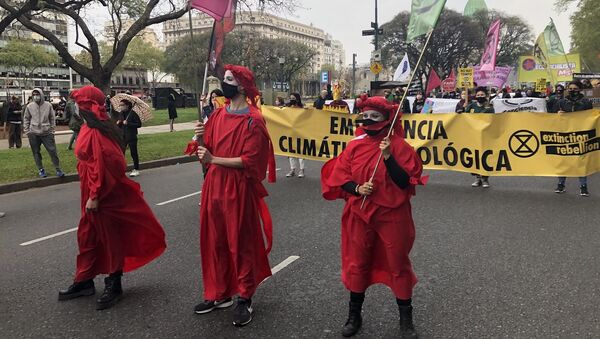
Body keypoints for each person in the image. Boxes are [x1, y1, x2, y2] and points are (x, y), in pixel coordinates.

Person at [321, 95, 425, 338]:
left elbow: (405, 182)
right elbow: (340, 178)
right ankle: (354, 315)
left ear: (387, 119)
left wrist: (388, 156)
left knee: (398, 263)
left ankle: (406, 320)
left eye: (375, 116)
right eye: (365, 116)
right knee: (358, 262)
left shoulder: (400, 147)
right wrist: (357, 189)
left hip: (392, 215)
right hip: (360, 213)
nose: (368, 120)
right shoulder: (354, 146)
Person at [58, 85, 166, 310]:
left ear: (86, 106)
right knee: (87, 236)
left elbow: (109, 164)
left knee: (110, 238)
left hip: (102, 195)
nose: (75, 107)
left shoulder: (98, 132)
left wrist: (95, 195)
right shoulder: (91, 127)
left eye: (79, 103)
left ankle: (114, 282)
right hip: (90, 190)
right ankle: (84, 279)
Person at [189, 64, 276, 327]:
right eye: (224, 78)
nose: (223, 82)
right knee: (214, 242)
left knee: (240, 243)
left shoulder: (254, 120)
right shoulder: (216, 116)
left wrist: (215, 158)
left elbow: (252, 161)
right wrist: (200, 140)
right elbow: (206, 157)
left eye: (228, 79)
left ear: (241, 85)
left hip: (237, 188)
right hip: (214, 185)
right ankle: (219, 293)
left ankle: (244, 297)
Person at [555, 80, 593, 196]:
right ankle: (560, 185)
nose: (572, 90)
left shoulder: (586, 102)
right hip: (565, 134)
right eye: (570, 88)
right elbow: (551, 116)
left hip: (581, 134)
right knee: (564, 160)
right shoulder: (561, 102)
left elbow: (591, 117)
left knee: (581, 160)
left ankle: (583, 187)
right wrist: (558, 113)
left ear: (580, 89)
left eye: (575, 88)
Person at [23, 88, 65, 178]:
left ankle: (58, 168)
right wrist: (27, 131)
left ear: (41, 95)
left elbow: (52, 118)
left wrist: (52, 130)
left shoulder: (48, 105)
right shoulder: (29, 106)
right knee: (36, 152)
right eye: (34, 95)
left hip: (47, 133)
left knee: (53, 151)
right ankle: (41, 169)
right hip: (34, 133)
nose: (35, 96)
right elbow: (26, 118)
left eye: (37, 94)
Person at [464, 87, 495, 188]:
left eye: (482, 95)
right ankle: (477, 178)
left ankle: (485, 179)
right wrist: (462, 111)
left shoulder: (489, 107)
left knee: (485, 157)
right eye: (478, 95)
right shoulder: (471, 106)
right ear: (475, 96)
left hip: (485, 136)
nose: (480, 97)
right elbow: (464, 117)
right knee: (474, 156)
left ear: (485, 96)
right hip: (473, 135)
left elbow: (493, 120)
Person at [116, 99, 142, 177]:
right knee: (121, 153)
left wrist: (129, 123)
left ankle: (136, 169)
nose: (121, 107)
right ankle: (121, 169)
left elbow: (139, 124)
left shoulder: (133, 113)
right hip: (123, 136)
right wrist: (119, 123)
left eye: (122, 105)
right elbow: (120, 125)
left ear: (127, 105)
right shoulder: (121, 113)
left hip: (131, 136)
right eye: (120, 105)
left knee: (133, 153)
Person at [286, 93, 306, 178]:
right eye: (290, 98)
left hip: (300, 132)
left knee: (300, 152)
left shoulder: (302, 108)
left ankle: (302, 170)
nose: (291, 100)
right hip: (291, 133)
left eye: (293, 98)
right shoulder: (287, 108)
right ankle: (292, 169)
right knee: (291, 152)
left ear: (297, 99)